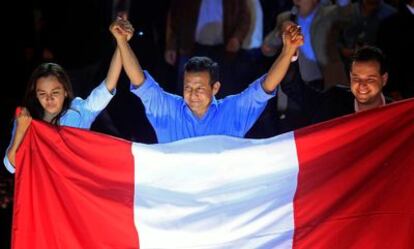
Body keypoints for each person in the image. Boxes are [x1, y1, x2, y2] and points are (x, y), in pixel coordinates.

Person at [115, 20, 303, 143]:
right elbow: (138, 78)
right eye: (187, 87)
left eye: (199, 88)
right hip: (175, 200)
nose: (192, 93)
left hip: (222, 200)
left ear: (215, 88)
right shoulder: (167, 108)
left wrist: (288, 52)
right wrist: (122, 42)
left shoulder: (233, 111)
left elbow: (266, 86)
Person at [3, 18, 134, 173]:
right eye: (42, 93)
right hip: (44, 193)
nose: (49, 99)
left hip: (73, 191)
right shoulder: (26, 120)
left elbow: (108, 85)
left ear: (65, 91)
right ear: (35, 94)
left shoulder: (79, 110)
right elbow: (11, 166)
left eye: (55, 92)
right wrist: (20, 131)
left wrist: (121, 43)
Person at [281, 45, 391, 125]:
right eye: (356, 78)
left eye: (370, 79)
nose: (362, 85)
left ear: (384, 79)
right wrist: (290, 52)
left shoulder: (399, 113)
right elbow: (292, 87)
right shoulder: (333, 101)